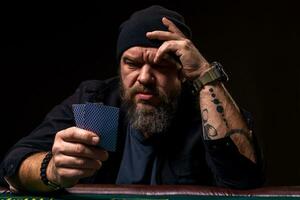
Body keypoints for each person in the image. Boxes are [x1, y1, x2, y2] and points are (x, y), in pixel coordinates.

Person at [0, 5, 264, 193]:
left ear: (182, 73)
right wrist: (52, 169)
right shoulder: (96, 100)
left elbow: (245, 182)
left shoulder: (201, 110)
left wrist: (205, 75)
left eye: (161, 65)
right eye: (132, 63)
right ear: (119, 66)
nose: (145, 77)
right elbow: (13, 163)